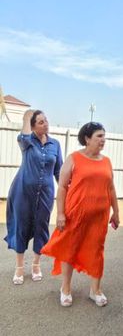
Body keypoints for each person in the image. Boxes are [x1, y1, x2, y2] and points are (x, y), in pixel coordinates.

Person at [41, 122, 119, 307]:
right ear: (87, 138)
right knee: (70, 249)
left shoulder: (106, 161)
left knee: (96, 250)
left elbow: (111, 187)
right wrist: (60, 213)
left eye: (104, 136)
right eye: (99, 136)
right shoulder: (74, 158)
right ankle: (65, 289)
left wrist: (116, 211)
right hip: (75, 214)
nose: (103, 140)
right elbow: (61, 187)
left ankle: (95, 290)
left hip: (99, 217)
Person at [5, 109, 63, 284]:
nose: (45, 123)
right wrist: (26, 117)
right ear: (32, 127)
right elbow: (22, 137)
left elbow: (59, 170)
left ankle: (36, 265)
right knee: (21, 226)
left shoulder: (55, 144)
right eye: (40, 122)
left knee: (41, 226)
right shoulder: (28, 142)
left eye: (46, 120)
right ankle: (19, 268)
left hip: (46, 194)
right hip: (22, 192)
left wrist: (66, 192)